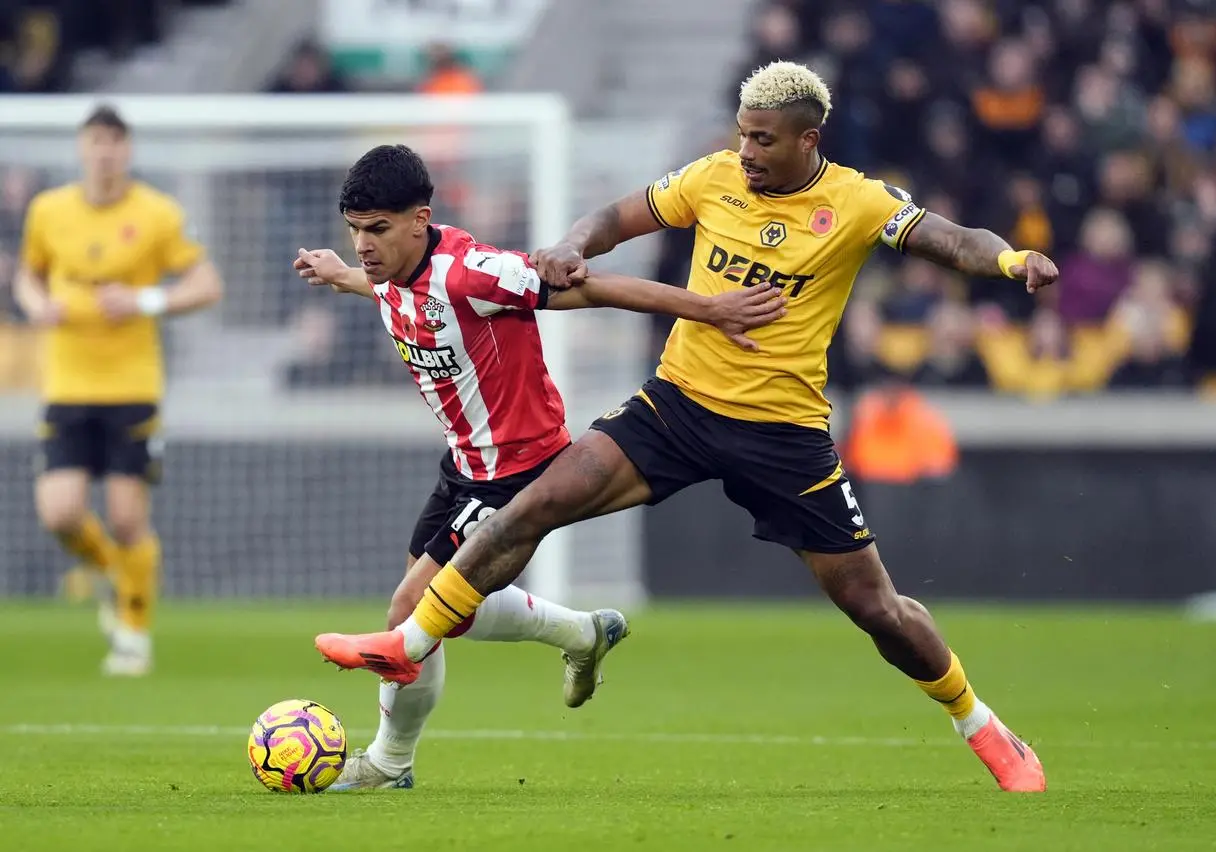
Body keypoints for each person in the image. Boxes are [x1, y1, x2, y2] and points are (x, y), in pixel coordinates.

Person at [315, 62, 1059, 793]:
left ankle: (983, 726)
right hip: (675, 406)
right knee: (530, 508)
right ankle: (406, 645)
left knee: (878, 610)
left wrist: (1012, 258)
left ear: (809, 139)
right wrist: (575, 244)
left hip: (782, 433)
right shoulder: (712, 178)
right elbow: (615, 218)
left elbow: (955, 239)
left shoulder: (857, 202)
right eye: (742, 134)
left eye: (763, 140)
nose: (747, 152)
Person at [295, 143, 785, 790]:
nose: (363, 244)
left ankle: (389, 764)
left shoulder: (476, 272)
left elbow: (595, 289)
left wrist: (710, 308)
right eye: (355, 230)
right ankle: (581, 633)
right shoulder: (390, 270)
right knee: (453, 613)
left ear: (420, 219)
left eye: (377, 229)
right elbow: (391, 291)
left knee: (411, 613)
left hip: (520, 469)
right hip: (465, 466)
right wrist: (340, 274)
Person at [15, 105, 224, 676]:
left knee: (128, 517)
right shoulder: (48, 210)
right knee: (60, 513)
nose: (104, 152)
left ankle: (133, 633)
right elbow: (27, 273)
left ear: (126, 150)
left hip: (132, 386)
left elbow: (207, 284)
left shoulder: (157, 214)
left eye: (114, 141)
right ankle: (113, 571)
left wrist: (144, 300)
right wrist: (36, 305)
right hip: (66, 382)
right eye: (95, 141)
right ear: (82, 149)